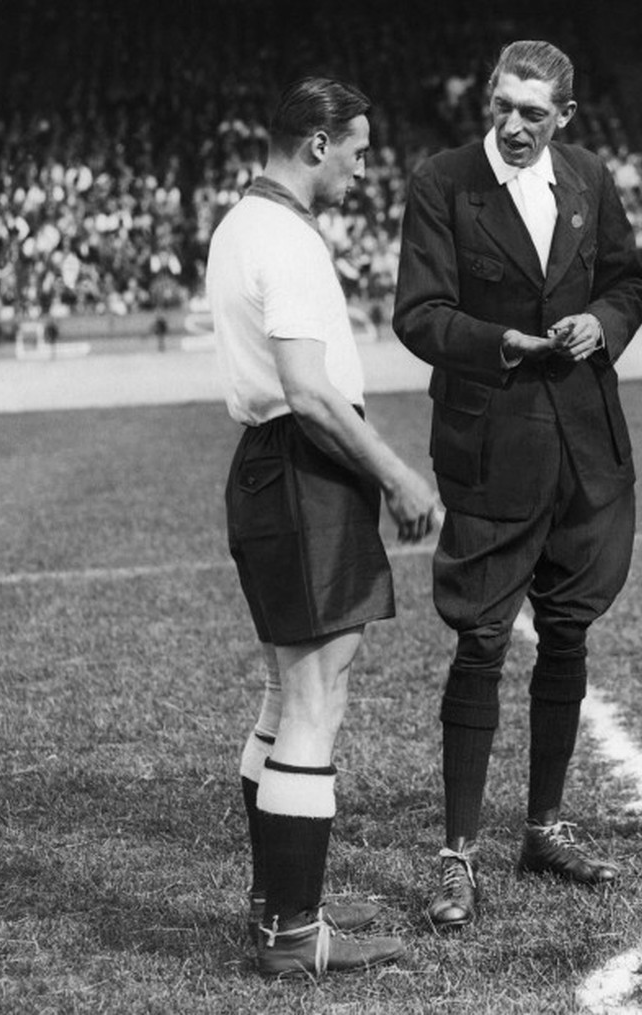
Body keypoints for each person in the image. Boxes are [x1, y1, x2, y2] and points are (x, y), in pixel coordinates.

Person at [394, 40, 642, 929]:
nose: (512, 125)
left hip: (587, 446)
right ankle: (457, 852)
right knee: (481, 638)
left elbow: (631, 280)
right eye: (502, 106)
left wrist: (602, 321)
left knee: (569, 630)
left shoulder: (587, 175)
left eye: (532, 113)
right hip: (490, 443)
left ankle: (544, 825)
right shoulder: (443, 181)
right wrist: (502, 343)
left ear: (565, 118)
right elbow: (418, 314)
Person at [207, 76, 442, 979]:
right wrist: (395, 473)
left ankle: (278, 910)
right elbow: (308, 390)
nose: (360, 166)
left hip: (267, 470)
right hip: (305, 471)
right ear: (315, 143)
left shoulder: (238, 224)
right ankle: (295, 933)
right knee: (315, 701)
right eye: (355, 148)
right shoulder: (286, 238)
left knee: (284, 694)